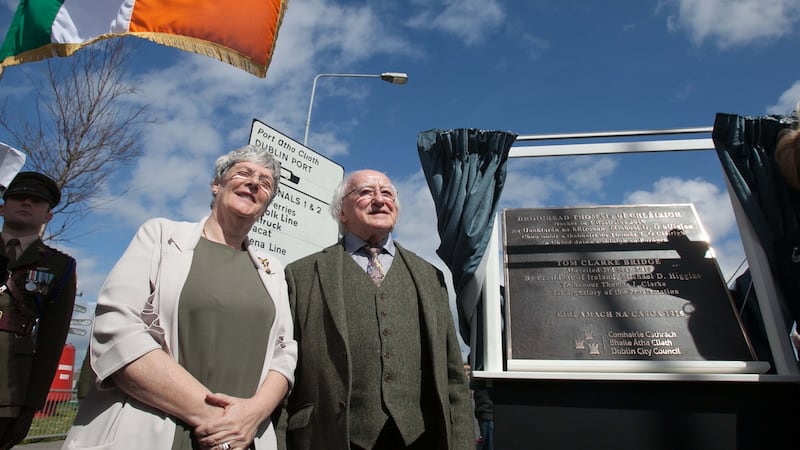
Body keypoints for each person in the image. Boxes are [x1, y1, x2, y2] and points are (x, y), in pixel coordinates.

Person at [63, 145, 297, 450]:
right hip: (151, 432)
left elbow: (285, 353)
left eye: (265, 183)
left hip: (243, 440)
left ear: (266, 204)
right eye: (243, 173)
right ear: (217, 185)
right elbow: (116, 330)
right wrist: (217, 419)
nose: (254, 183)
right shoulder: (159, 236)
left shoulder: (272, 271)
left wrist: (252, 415)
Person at [278, 169, 474, 450]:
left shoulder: (430, 275)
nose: (380, 200)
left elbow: (453, 373)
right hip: (329, 437)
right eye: (366, 192)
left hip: (420, 438)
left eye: (387, 193)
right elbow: (285, 368)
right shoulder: (301, 274)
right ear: (341, 212)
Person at [0, 171, 77, 449]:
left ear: (47, 216)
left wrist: (31, 406)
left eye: (36, 201)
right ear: (2, 206)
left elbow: (51, 342)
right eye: (18, 197)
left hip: (8, 390)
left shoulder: (59, 266)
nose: (26, 203)